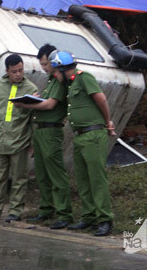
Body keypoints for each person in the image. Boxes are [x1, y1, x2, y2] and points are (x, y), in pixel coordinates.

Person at [49, 51, 116, 236]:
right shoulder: (70, 84)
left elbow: (101, 99)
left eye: (56, 71)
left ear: (63, 69)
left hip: (93, 135)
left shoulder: (84, 77)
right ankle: (89, 217)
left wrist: (108, 122)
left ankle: (105, 219)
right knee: (83, 179)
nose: (55, 75)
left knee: (96, 178)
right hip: (80, 137)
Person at [14, 44, 73, 229]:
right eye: (42, 65)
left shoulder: (59, 81)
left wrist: (27, 105)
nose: (45, 68)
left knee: (56, 173)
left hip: (51, 130)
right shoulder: (50, 80)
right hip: (40, 131)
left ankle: (64, 213)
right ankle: (46, 209)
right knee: (42, 173)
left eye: (46, 64)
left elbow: (50, 105)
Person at [0, 54, 38, 223]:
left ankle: (15, 211)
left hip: (20, 141)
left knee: (19, 177)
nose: (18, 74)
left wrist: (33, 143)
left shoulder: (30, 88)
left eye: (20, 70)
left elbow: (34, 118)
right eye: (14, 71)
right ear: (7, 71)